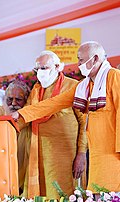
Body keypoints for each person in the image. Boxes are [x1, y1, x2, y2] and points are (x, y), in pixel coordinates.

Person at [12, 41, 120, 192]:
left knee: (109, 193)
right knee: (96, 193)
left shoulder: (114, 77)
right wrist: (21, 113)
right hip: (96, 152)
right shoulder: (84, 86)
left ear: (95, 58)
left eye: (81, 60)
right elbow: (54, 103)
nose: (79, 64)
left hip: (113, 153)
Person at [25, 50, 87, 199]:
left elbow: (85, 121)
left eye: (44, 68)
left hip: (66, 155)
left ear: (58, 66)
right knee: (43, 193)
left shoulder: (73, 86)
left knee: (65, 193)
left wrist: (81, 153)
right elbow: (26, 114)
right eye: (37, 69)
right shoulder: (36, 90)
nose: (40, 72)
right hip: (39, 153)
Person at [0, 79, 31, 196]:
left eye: (19, 100)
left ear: (26, 101)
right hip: (4, 166)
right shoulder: (2, 109)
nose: (14, 103)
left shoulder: (30, 112)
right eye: (10, 99)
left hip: (26, 165)